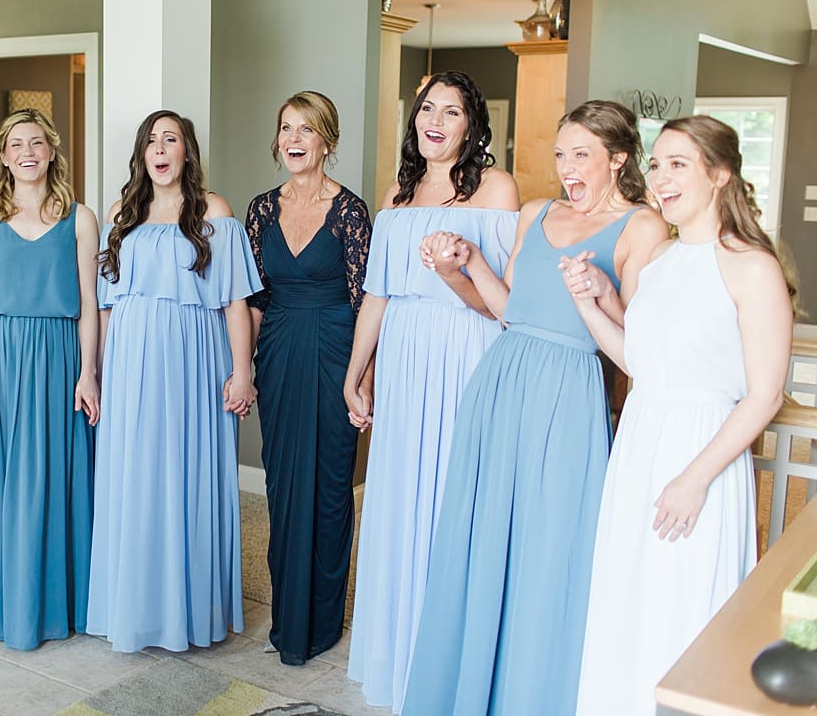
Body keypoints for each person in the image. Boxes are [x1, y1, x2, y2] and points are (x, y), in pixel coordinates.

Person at [399, 100, 668, 716]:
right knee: (483, 535)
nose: (567, 168)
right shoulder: (534, 213)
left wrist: (597, 295)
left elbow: (641, 347)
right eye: (559, 154)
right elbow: (505, 307)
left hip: (569, 394)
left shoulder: (642, 228)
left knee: (550, 550)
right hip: (500, 383)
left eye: (582, 155)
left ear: (617, 160)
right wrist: (458, 267)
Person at [572, 115, 794, 716]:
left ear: (720, 175)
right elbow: (641, 364)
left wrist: (695, 479)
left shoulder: (751, 265)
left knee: (682, 604)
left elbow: (766, 395)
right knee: (629, 600)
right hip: (640, 442)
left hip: (702, 453)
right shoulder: (662, 259)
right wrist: (591, 305)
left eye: (679, 164)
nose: (660, 177)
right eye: (658, 163)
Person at [344, 71, 518, 711]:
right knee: (400, 494)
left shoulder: (497, 190)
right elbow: (378, 293)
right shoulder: (397, 192)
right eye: (426, 109)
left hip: (467, 348)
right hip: (406, 358)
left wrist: (455, 267)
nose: (435, 120)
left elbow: (500, 305)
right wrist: (356, 371)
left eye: (451, 110)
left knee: (454, 496)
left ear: (472, 124)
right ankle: (398, 650)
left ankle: (448, 656)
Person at [87, 109, 261, 653]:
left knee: (189, 475)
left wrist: (242, 370)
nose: (161, 150)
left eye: (172, 139)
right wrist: (95, 371)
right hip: (131, 363)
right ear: (142, 154)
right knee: (136, 477)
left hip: (194, 361)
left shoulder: (215, 212)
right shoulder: (122, 214)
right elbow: (107, 306)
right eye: (152, 141)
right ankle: (136, 606)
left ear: (187, 151)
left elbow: (236, 300)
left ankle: (187, 609)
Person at [0, 108, 99, 650]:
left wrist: (88, 374)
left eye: (37, 142)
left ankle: (59, 607)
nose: (27, 151)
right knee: (9, 484)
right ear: (3, 155)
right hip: (3, 359)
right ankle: (7, 610)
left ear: (52, 151)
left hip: (61, 356)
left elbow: (89, 303)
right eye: (16, 143)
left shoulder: (79, 217)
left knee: (61, 480)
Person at [244, 91, 371, 666]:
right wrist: (242, 368)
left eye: (307, 129)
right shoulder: (260, 210)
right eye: (286, 128)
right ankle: (288, 619)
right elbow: (252, 299)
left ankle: (322, 622)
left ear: (328, 141)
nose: (294, 139)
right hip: (277, 351)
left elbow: (367, 299)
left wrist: (361, 377)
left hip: (335, 351)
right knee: (282, 485)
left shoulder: (350, 212)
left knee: (328, 488)